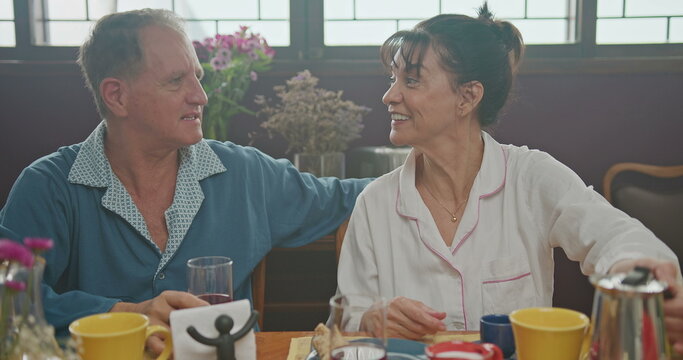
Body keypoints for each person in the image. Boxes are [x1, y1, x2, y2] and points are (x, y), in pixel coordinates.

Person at [0, 8, 369, 355]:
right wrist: (124, 313)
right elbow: (6, 298)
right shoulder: (48, 186)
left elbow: (352, 197)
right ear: (117, 96)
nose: (200, 96)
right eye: (176, 81)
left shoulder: (245, 173)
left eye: (198, 76)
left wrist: (424, 150)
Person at [335, 4, 683, 352]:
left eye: (411, 80)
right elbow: (348, 317)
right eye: (392, 78)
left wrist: (634, 270)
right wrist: (370, 318)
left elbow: (616, 236)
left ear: (468, 96)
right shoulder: (375, 203)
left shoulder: (531, 177)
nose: (389, 95)